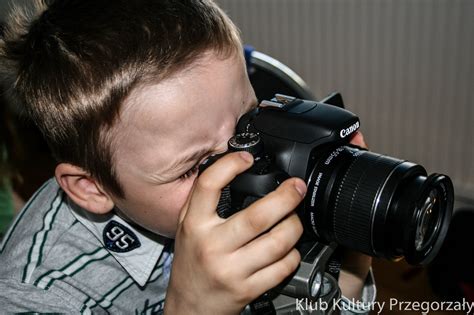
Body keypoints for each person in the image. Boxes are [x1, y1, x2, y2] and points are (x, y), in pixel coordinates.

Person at [0, 0, 374, 313]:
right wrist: (190, 308)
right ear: (92, 188)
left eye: (248, 126)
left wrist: (347, 267)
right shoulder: (36, 295)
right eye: (196, 166)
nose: (243, 164)